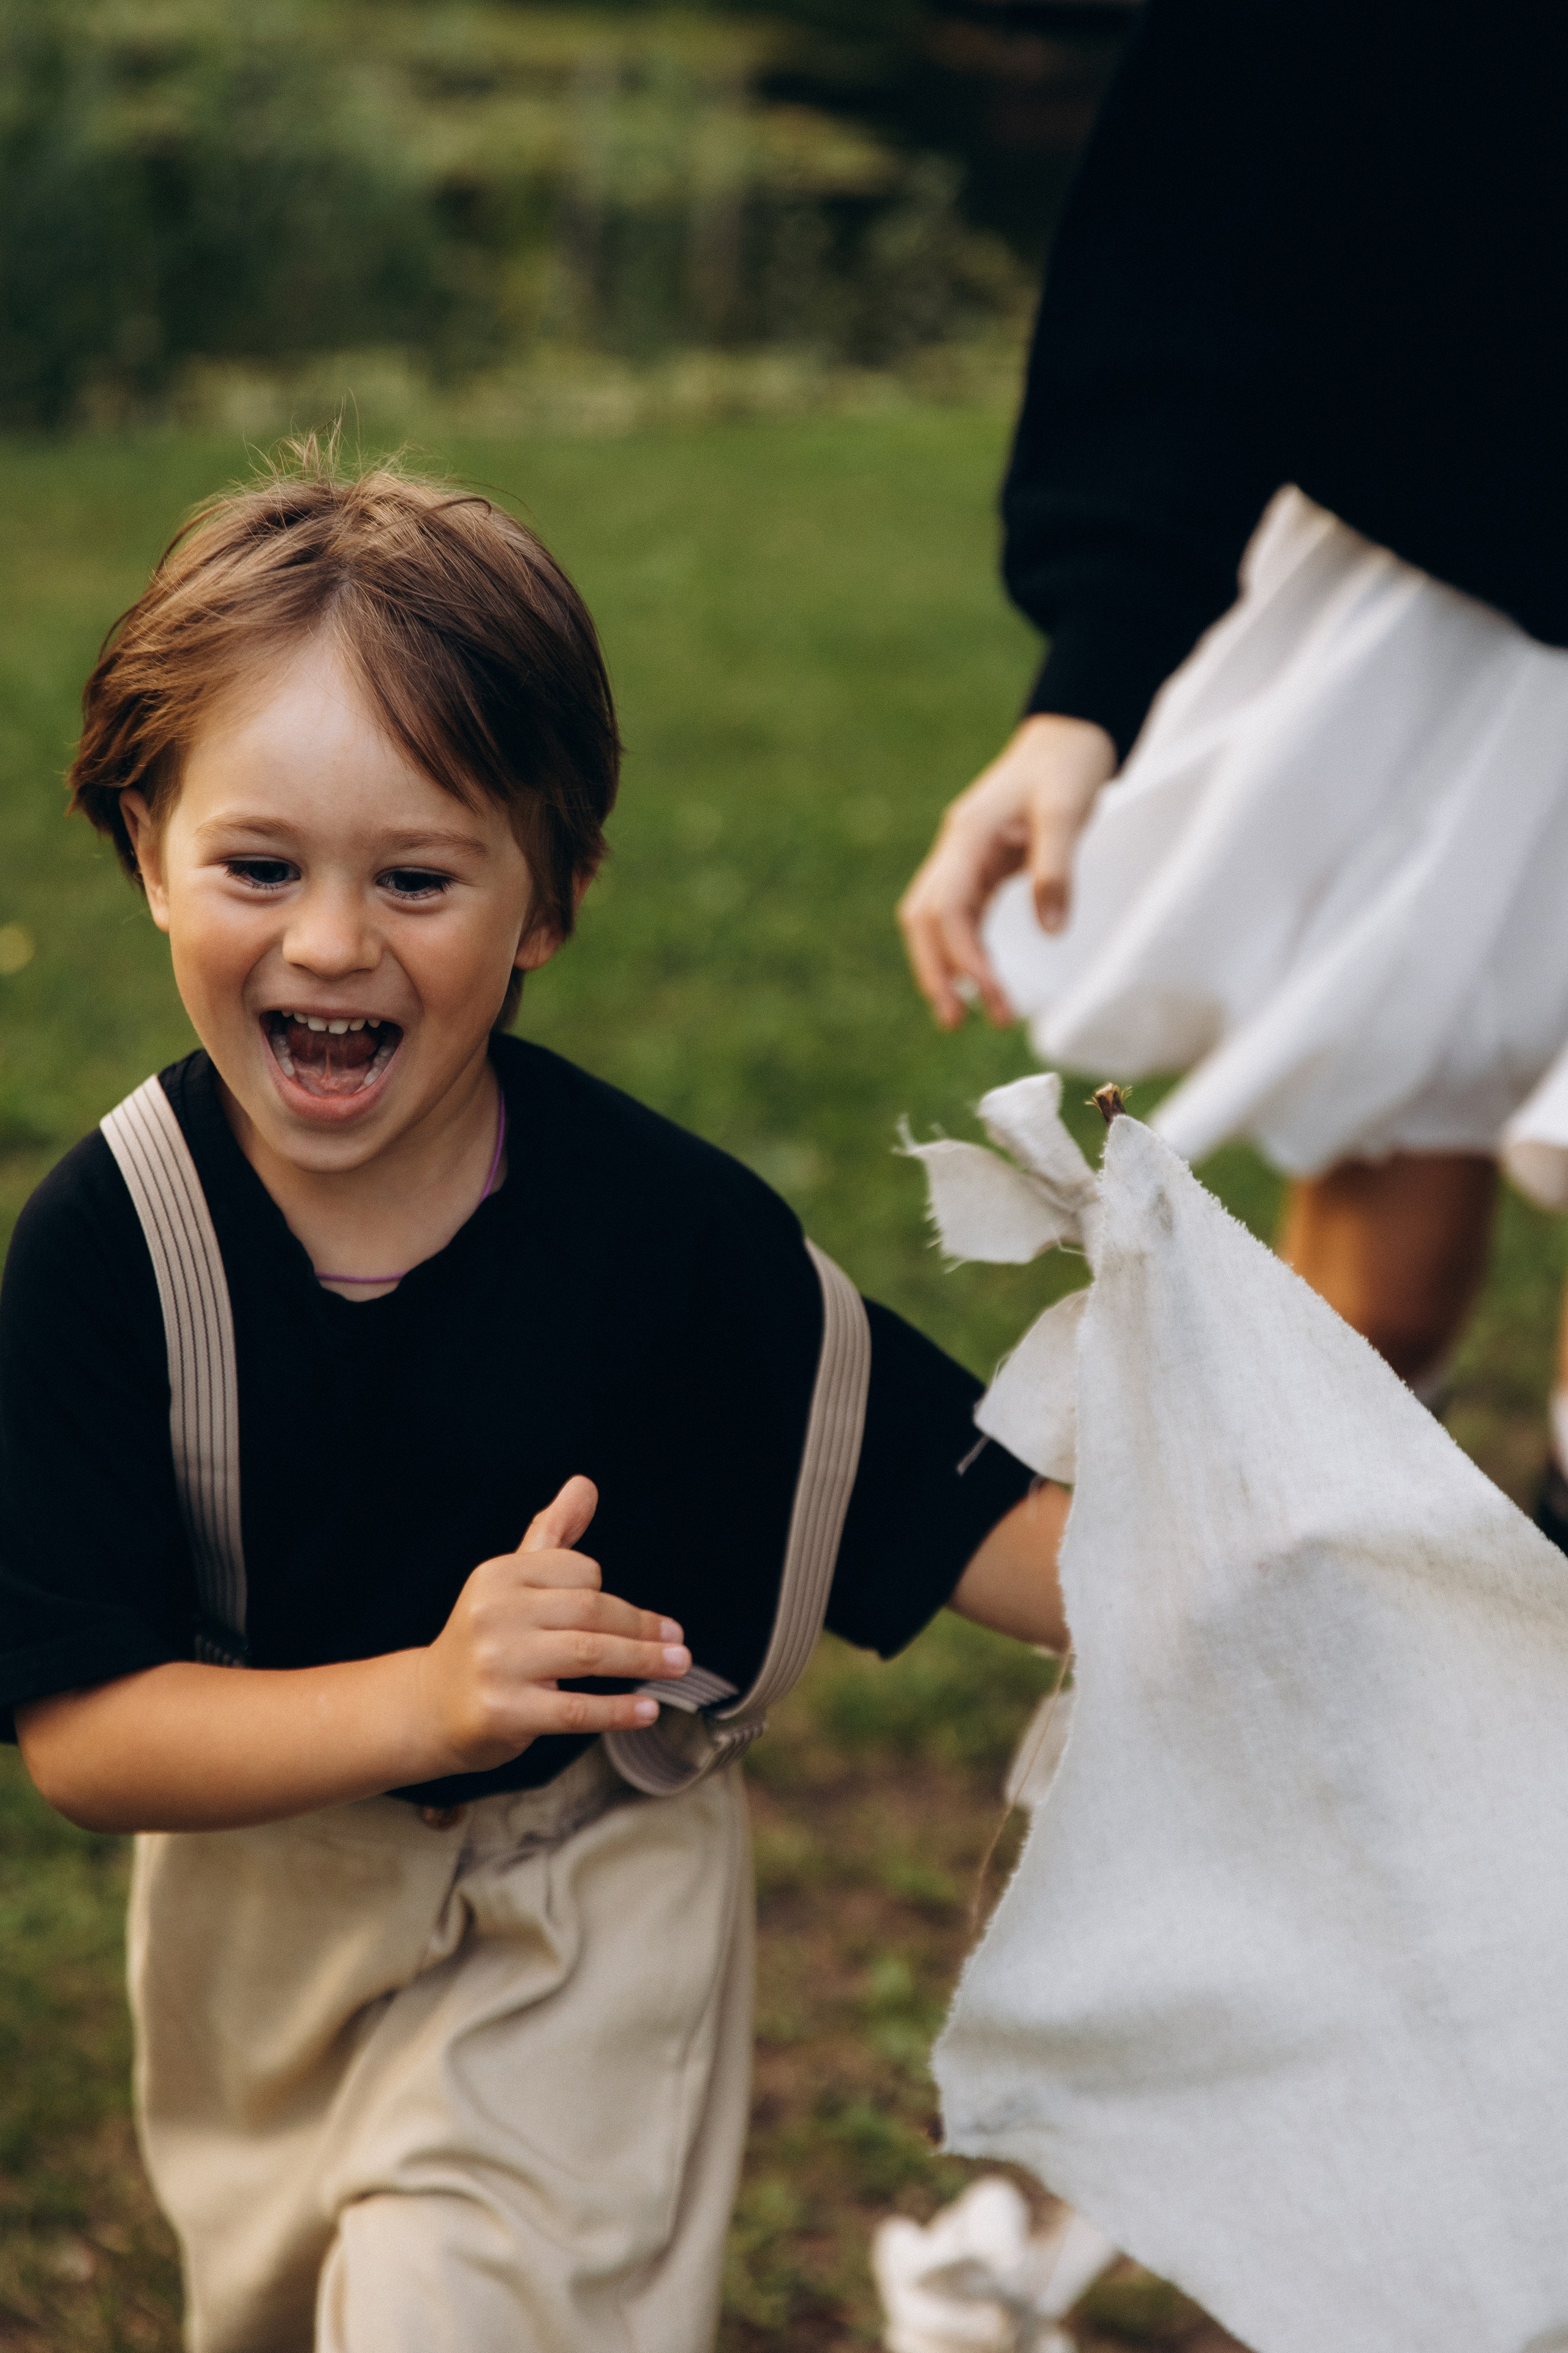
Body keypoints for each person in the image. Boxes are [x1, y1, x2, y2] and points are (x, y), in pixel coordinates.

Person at [0, 449, 1071, 2353]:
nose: (333, 942)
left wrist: (1250, 1586)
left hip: (588, 1890)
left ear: (549, 900)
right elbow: (84, 1734)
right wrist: (424, 1692)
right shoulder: (112, 1247)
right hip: (263, 1911)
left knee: (456, 2309)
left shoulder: (663, 1236)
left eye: (418, 876)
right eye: (260, 866)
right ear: (147, 846)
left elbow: (939, 1487)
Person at [896, 0, 1568, 1537]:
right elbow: (1201, 211)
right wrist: (1088, 680)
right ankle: (1258, 1711)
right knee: (1366, 1304)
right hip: (1448, 595)